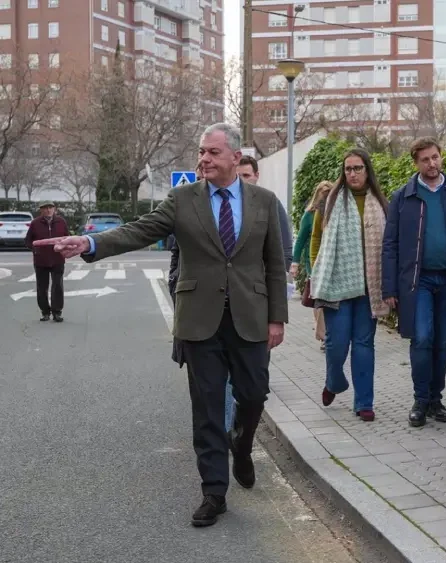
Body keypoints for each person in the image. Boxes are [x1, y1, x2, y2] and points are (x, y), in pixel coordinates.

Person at [34, 123, 289, 527]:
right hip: (199, 319)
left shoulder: (264, 201)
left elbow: (275, 263)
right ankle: (214, 493)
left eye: (212, 153)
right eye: (201, 152)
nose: (203, 159)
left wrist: (278, 317)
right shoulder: (183, 199)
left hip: (251, 317)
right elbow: (140, 231)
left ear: (235, 158)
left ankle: (241, 443)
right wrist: (90, 244)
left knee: (254, 394)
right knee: (206, 408)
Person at [381, 137, 446, 428]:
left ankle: (436, 399)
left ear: (441, 157)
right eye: (425, 160)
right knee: (422, 337)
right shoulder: (403, 197)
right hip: (417, 280)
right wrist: (389, 287)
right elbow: (390, 244)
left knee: (443, 341)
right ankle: (420, 400)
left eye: (435, 158)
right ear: (415, 163)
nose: (432, 164)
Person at [309, 149, 389, 422]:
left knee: (364, 344)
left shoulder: (380, 202)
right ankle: (333, 382)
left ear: (367, 170)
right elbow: (317, 241)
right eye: (348, 169)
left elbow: (388, 246)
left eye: (357, 168)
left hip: (370, 288)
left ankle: (364, 402)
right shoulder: (330, 200)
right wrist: (316, 275)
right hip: (336, 284)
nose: (352, 173)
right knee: (336, 343)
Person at [291, 181, 334, 347]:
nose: (325, 196)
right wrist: (295, 263)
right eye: (323, 193)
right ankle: (323, 334)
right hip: (314, 261)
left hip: (331, 260)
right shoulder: (309, 215)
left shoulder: (335, 211)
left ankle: (326, 330)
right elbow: (301, 240)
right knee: (318, 298)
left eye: (328, 192)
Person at [237, 155, 293, 271]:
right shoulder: (226, 204)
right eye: (237, 176)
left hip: (260, 278)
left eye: (246, 175)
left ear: (256, 176)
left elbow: (285, 247)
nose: (241, 180)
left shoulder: (269, 202)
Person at [24, 201, 70, 323]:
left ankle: (57, 312)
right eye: (45, 208)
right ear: (41, 210)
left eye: (50, 208)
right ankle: (45, 312)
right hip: (41, 260)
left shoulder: (61, 222)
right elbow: (28, 241)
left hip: (57, 259)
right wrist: (35, 249)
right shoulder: (35, 223)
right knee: (42, 287)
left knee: (57, 286)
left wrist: (64, 249)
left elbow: (67, 238)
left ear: (54, 209)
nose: (48, 210)